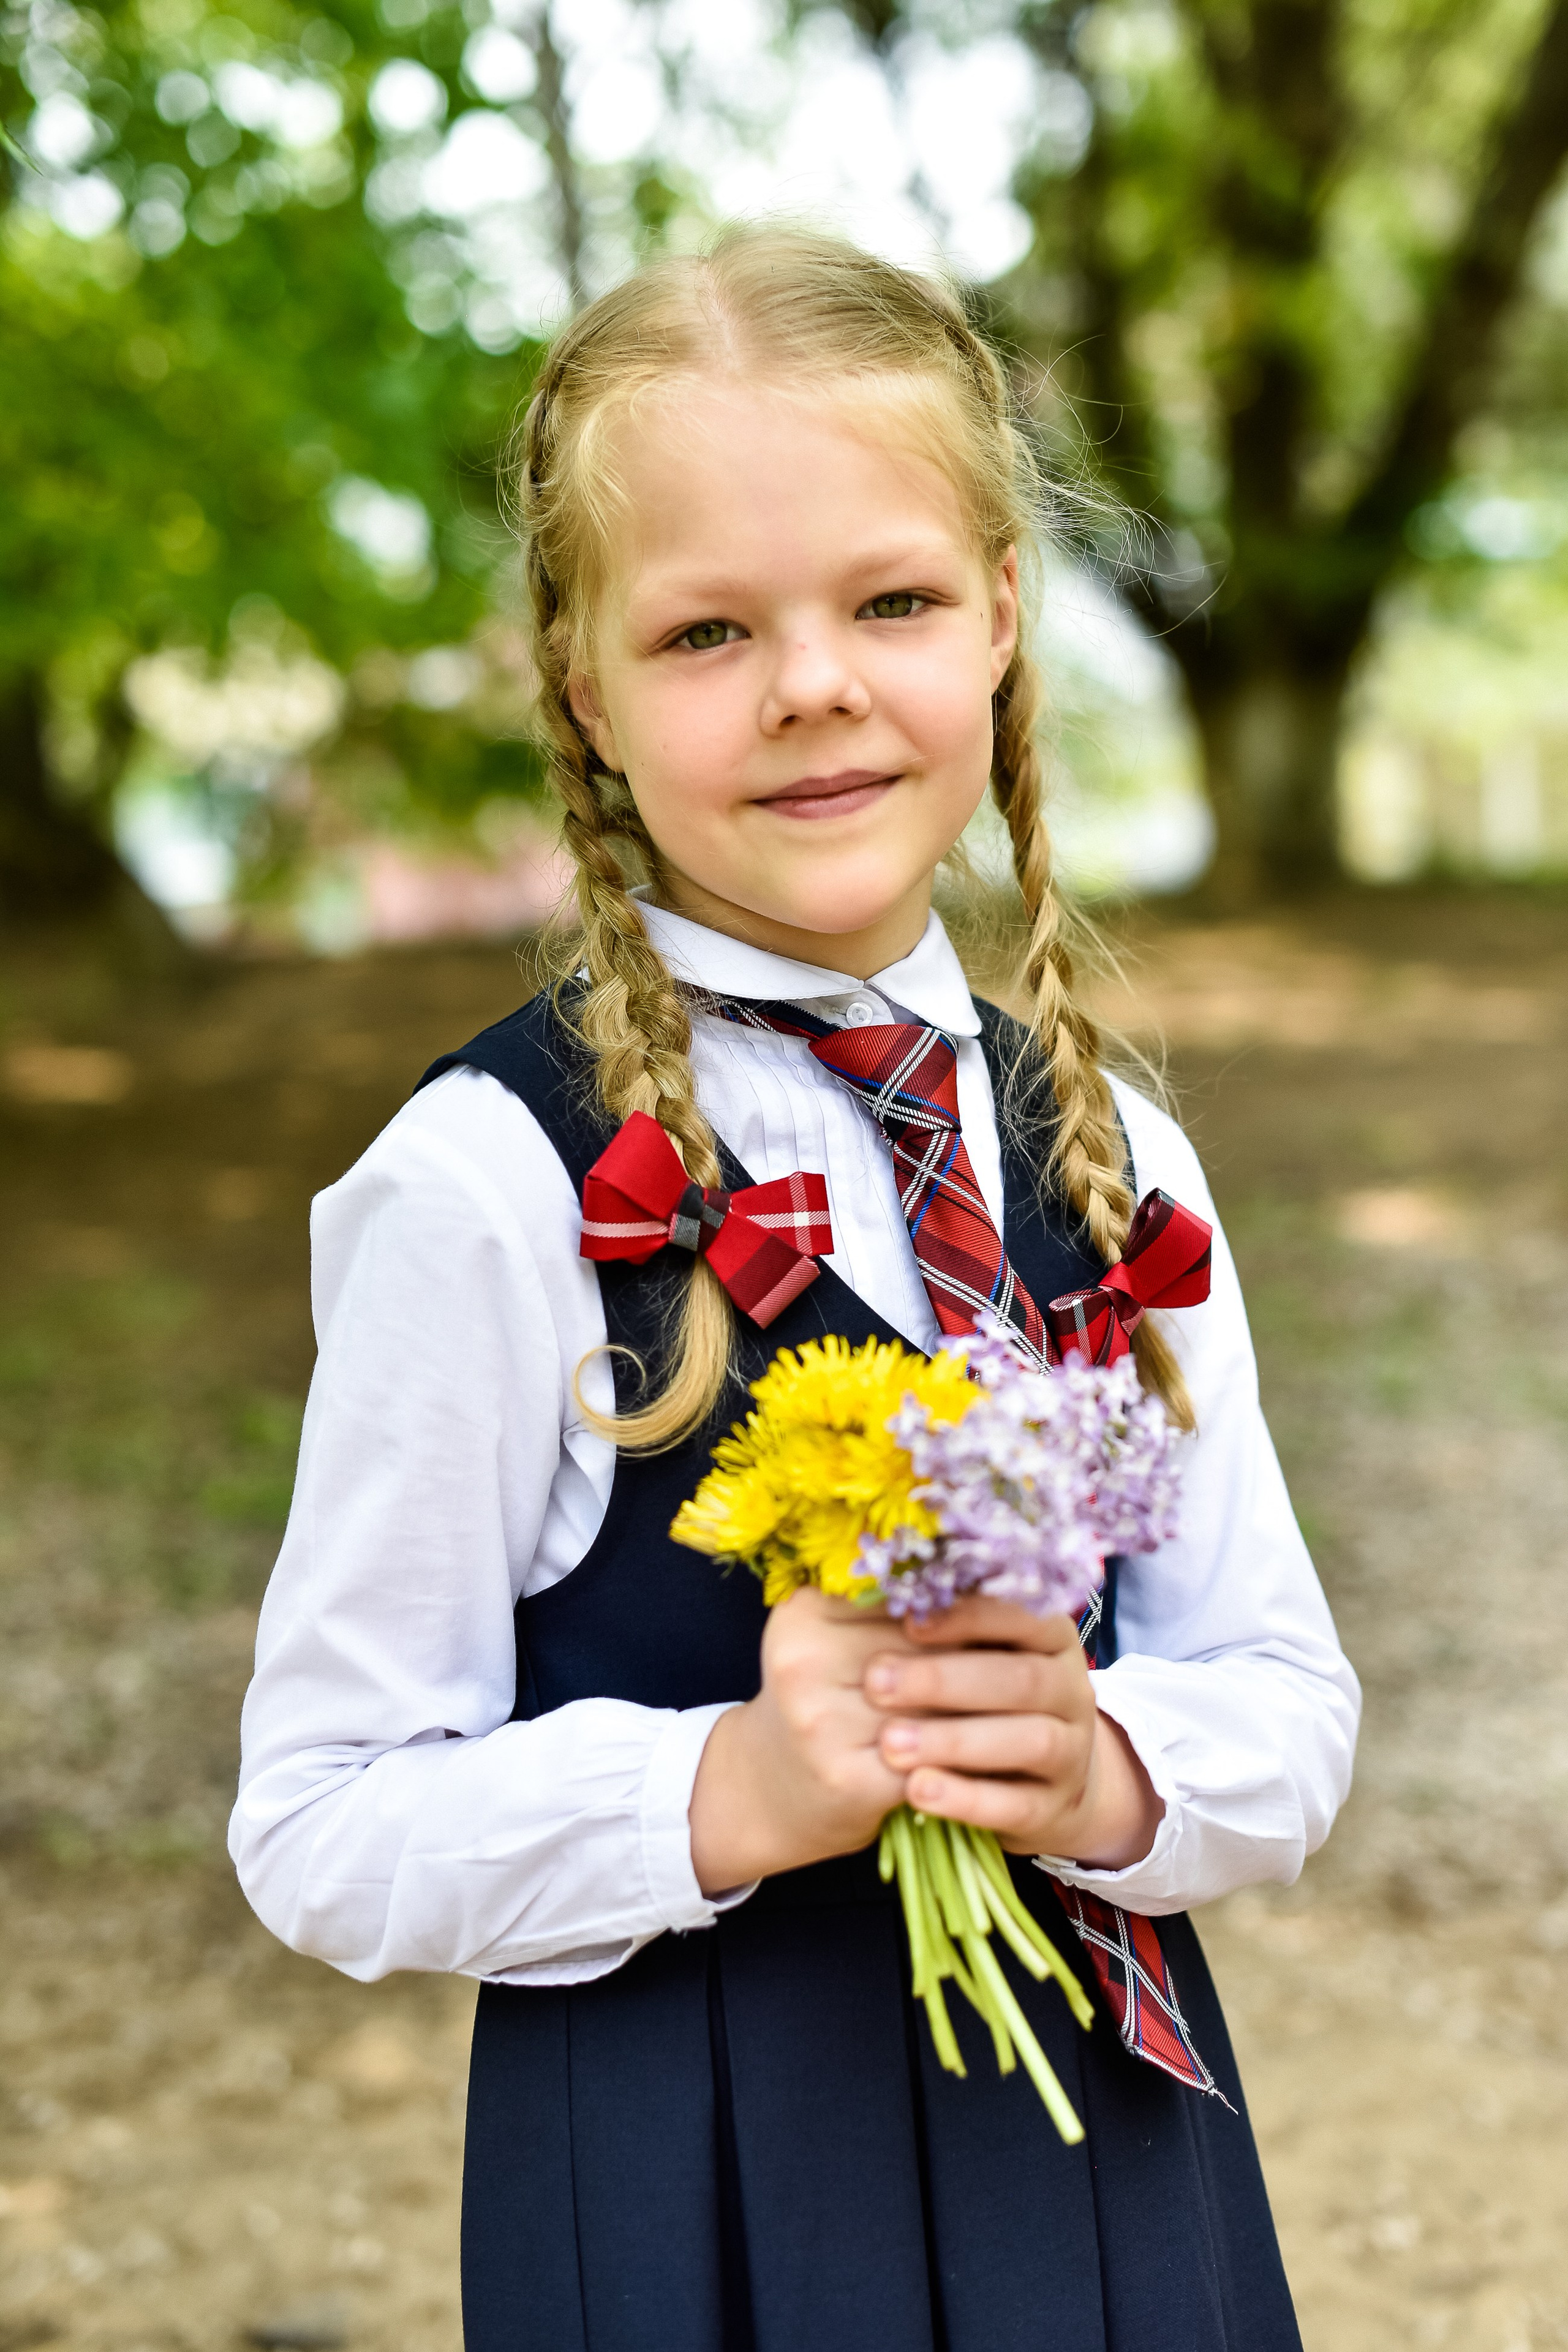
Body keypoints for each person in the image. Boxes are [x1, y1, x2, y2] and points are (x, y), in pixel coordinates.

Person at [230, 226, 1360, 2352]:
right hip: (701, 2211)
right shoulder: (488, 1189)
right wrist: (722, 1793)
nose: (814, 683)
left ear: (1006, 618)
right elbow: (318, 1818)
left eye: (896, 601)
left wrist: (1107, 1767)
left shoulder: (1115, 1160)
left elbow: (1286, 1702)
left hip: (1115, 2179)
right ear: (582, 684)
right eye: (704, 631)